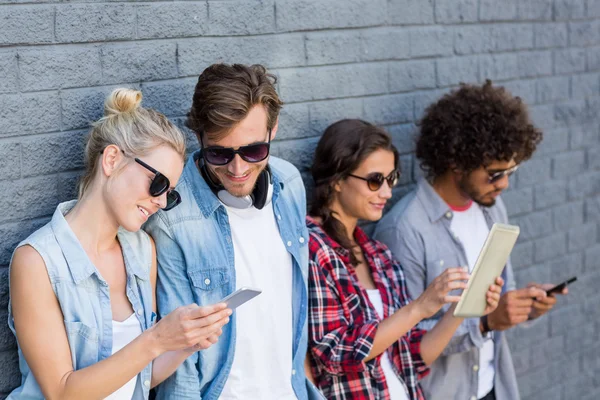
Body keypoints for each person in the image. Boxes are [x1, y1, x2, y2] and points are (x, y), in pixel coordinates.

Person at [7, 88, 231, 400]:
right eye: (159, 183)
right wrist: (156, 339)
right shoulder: (37, 261)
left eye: (170, 194)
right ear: (112, 159)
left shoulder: (142, 251)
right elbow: (61, 391)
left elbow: (138, 378)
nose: (161, 202)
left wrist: (185, 344)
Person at [374, 81, 567, 400]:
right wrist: (485, 323)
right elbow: (401, 342)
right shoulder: (404, 229)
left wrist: (524, 305)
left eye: (511, 171)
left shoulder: (493, 210)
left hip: (492, 385)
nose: (503, 184)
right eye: (494, 174)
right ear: (456, 162)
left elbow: (499, 298)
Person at [145, 64, 321, 399]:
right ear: (199, 139)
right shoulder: (172, 218)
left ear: (273, 130)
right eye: (219, 153)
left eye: (254, 151)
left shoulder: (289, 183)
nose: (238, 169)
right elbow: (180, 364)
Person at [305, 119, 503, 400]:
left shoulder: (380, 256)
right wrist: (419, 308)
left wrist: (464, 307)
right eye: (375, 181)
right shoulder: (313, 248)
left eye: (391, 179)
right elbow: (334, 355)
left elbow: (412, 356)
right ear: (337, 180)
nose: (386, 192)